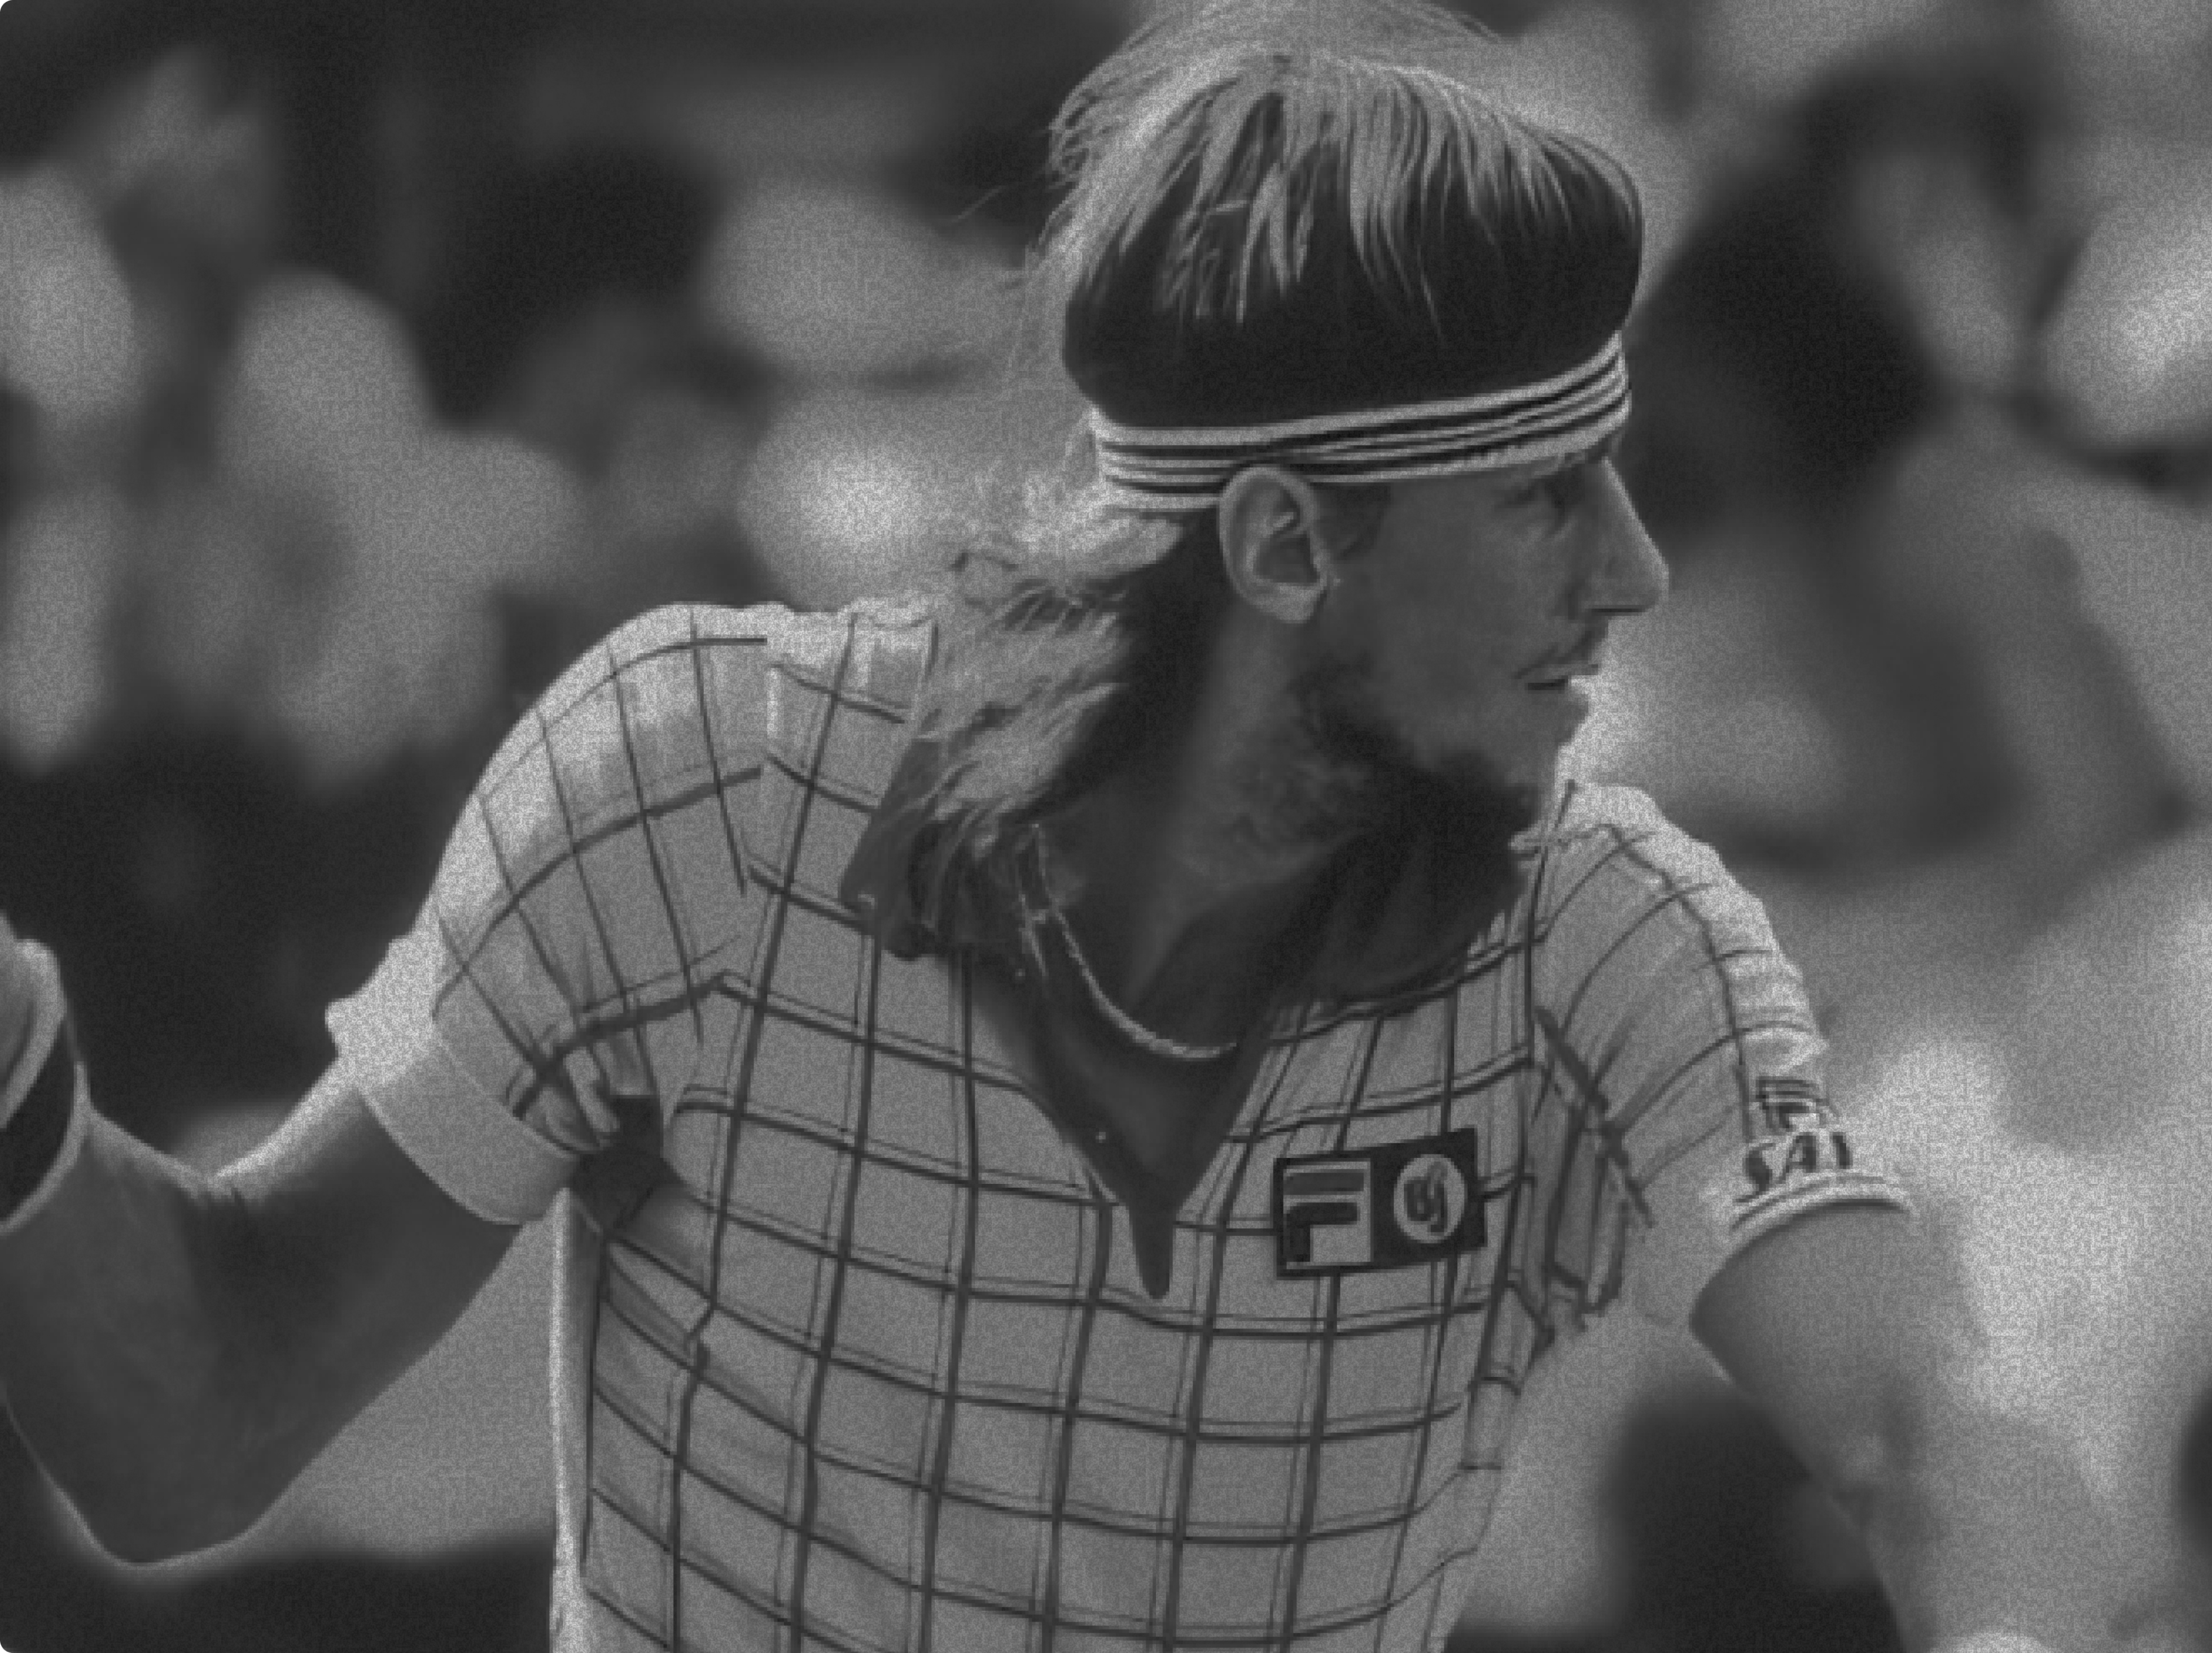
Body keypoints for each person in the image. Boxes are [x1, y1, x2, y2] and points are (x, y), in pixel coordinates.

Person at [0, 5, 2090, 1650]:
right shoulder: (692, 783)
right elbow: (188, 1435)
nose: (1632, 572)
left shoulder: (1617, 933)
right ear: (1283, 547)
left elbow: (1935, 1419)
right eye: (1546, 493)